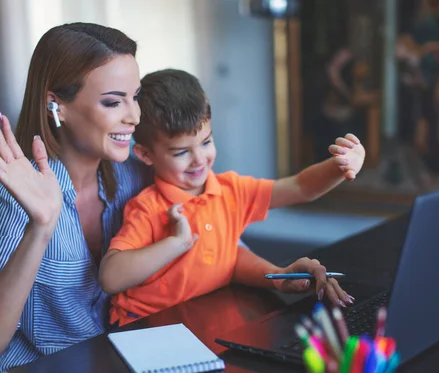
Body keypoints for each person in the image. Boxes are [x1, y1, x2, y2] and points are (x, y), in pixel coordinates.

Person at [0, 23, 339, 373]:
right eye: (113, 102)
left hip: (117, 361)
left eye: (134, 97)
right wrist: (41, 227)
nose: (134, 116)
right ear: (56, 106)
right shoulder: (13, 198)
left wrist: (279, 274)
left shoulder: (137, 171)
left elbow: (213, 237)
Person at [99, 69, 364, 327]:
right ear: (145, 155)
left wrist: (340, 166)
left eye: (206, 142)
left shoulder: (231, 190)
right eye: (181, 152)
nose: (199, 160)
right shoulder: (148, 207)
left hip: (201, 318)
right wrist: (176, 243)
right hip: (142, 326)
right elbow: (110, 278)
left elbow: (300, 187)